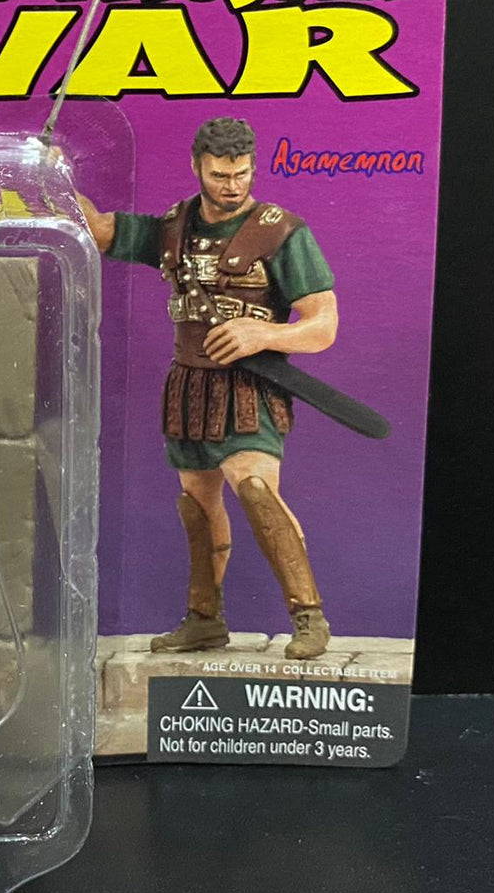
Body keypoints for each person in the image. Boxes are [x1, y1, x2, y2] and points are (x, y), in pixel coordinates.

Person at [75, 117, 338, 659]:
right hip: (189, 386)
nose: (232, 185)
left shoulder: (281, 231)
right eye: (220, 175)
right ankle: (204, 619)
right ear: (198, 167)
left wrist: (263, 333)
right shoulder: (174, 227)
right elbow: (98, 230)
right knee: (196, 505)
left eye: (242, 174)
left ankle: (309, 616)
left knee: (257, 491)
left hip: (250, 387)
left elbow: (324, 325)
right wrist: (51, 179)